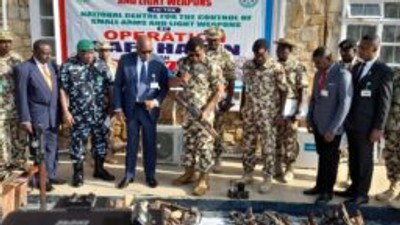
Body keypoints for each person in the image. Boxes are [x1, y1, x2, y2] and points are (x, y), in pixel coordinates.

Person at [337, 34, 393, 206]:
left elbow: (384, 102)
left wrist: (378, 128)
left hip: (368, 126)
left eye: (363, 48)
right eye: (359, 47)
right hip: (352, 123)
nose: (359, 50)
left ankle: (362, 194)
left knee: (364, 160)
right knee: (353, 157)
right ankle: (354, 188)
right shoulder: (357, 67)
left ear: (374, 50)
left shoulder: (383, 71)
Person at [170, 37, 224, 196]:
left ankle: (203, 179)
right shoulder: (183, 63)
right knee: (189, 144)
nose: (194, 58)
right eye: (191, 55)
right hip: (187, 112)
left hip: (204, 115)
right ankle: (189, 173)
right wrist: (180, 79)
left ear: (203, 50)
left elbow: (219, 91)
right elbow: (172, 83)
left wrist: (207, 111)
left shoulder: (212, 66)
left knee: (204, 146)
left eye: (197, 54)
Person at [114, 36, 169, 189]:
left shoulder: (158, 62)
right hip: (131, 108)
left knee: (150, 143)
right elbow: (118, 85)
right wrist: (118, 107)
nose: (147, 55)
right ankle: (129, 175)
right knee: (131, 143)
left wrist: (156, 101)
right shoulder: (125, 60)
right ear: (136, 49)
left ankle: (150, 175)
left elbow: (164, 87)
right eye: (143, 52)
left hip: (149, 110)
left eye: (150, 51)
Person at [59, 39, 115, 187]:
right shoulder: (68, 66)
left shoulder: (101, 65)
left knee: (101, 142)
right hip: (79, 114)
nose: (89, 56)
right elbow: (63, 90)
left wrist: (111, 109)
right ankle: (78, 174)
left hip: (100, 113)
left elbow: (110, 86)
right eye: (86, 53)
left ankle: (99, 169)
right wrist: (66, 112)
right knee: (78, 144)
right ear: (79, 52)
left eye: (91, 52)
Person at [16, 39, 67, 191]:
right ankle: (41, 180)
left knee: (52, 147)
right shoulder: (24, 68)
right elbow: (21, 96)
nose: (47, 57)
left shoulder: (51, 66)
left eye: (49, 54)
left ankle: (51, 175)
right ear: (35, 52)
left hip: (53, 115)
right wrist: (25, 119)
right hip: (36, 116)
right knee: (40, 150)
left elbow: (56, 91)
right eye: (44, 54)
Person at [304, 47, 353, 204]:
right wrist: (310, 118)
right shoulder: (319, 74)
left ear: (328, 59)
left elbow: (344, 105)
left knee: (330, 160)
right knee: (322, 157)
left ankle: (327, 192)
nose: (316, 66)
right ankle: (319, 186)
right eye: (315, 63)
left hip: (332, 128)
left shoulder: (342, 75)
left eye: (319, 62)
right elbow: (314, 98)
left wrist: (333, 129)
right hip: (319, 125)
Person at [240, 39, 288, 193]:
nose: (258, 58)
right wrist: (242, 106)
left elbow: (284, 91)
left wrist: (281, 113)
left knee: (268, 148)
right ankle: (248, 173)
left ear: (267, 52)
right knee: (248, 145)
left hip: (268, 115)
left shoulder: (276, 67)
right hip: (250, 113)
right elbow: (245, 87)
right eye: (256, 54)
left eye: (261, 55)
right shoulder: (248, 66)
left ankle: (268, 177)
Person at [274, 38, 308, 183]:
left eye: (284, 48)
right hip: (274, 107)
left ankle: (289, 168)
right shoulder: (272, 65)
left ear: (290, 50)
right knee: (275, 138)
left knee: (289, 139)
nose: (280, 51)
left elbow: (303, 91)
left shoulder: (298, 67)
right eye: (279, 48)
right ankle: (276, 166)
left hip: (291, 107)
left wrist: (299, 111)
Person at [204, 26, 236, 174]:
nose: (212, 43)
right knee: (203, 128)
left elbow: (231, 78)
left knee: (218, 129)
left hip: (219, 99)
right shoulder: (201, 53)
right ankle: (204, 158)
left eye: (215, 40)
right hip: (202, 98)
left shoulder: (226, 55)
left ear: (220, 39)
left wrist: (229, 100)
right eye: (210, 40)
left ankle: (217, 158)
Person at [0, 30, 25, 168]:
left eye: (8, 42)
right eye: (3, 42)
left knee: (18, 137)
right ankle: (3, 165)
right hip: (1, 108)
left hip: (16, 106)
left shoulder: (17, 59)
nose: (6, 45)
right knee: (1, 139)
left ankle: (18, 162)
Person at [375, 67, 400, 207]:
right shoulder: (394, 73)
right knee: (391, 156)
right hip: (392, 126)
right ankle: (393, 187)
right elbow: (385, 98)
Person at [96, 41, 120, 164]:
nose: (104, 53)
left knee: (110, 128)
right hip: (99, 102)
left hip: (113, 101)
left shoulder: (115, 65)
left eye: (106, 50)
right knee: (99, 129)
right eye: (102, 50)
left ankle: (108, 154)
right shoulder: (94, 65)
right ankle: (97, 156)